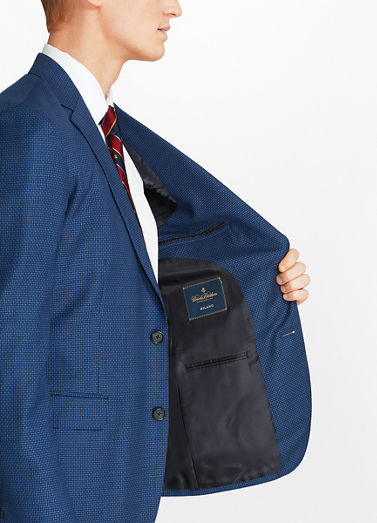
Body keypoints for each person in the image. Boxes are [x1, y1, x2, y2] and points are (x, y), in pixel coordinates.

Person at [0, 0, 311, 522]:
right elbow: (8, 355)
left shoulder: (106, 134)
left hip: (120, 483)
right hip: (62, 497)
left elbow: (121, 281)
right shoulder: (31, 130)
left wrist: (260, 280)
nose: (175, 7)